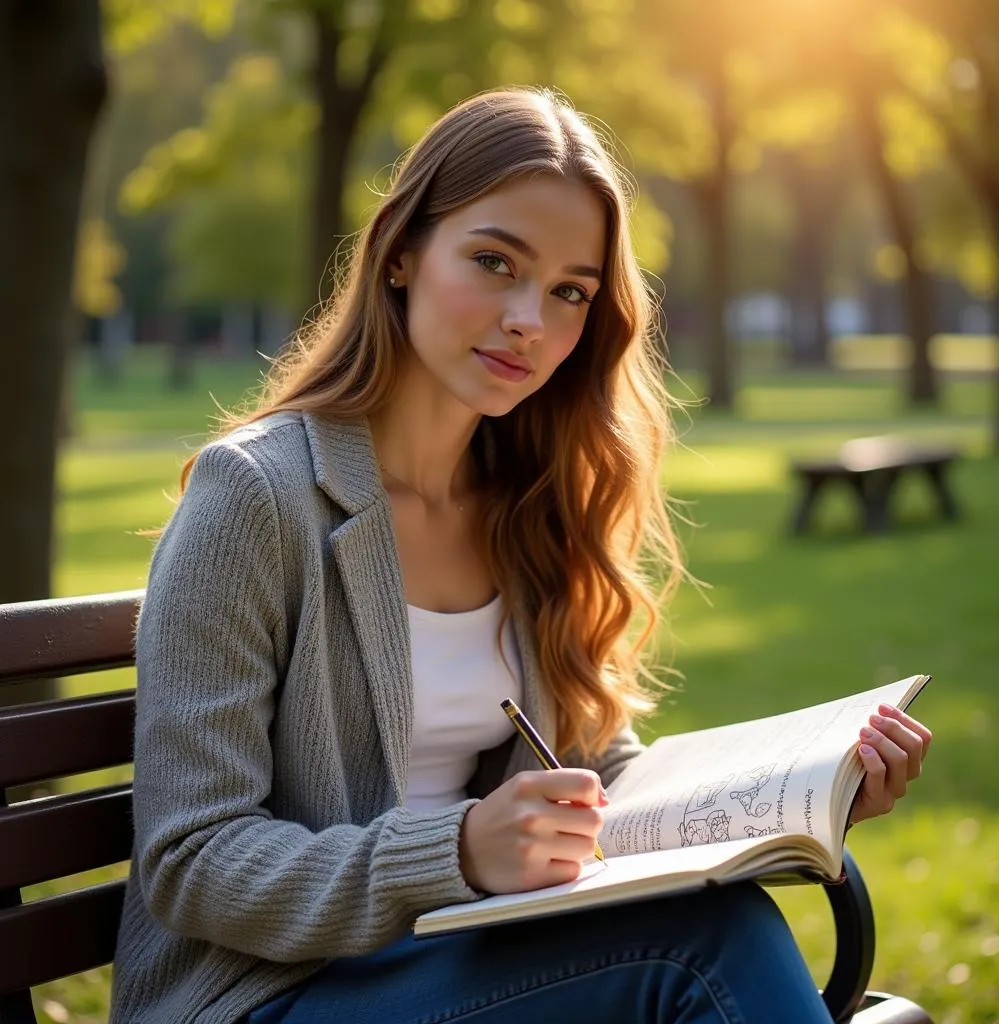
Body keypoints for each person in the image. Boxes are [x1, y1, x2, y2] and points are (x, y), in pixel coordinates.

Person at [110, 87, 933, 1024]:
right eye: (495, 262)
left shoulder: (526, 505)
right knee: (706, 950)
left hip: (472, 962)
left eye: (569, 291)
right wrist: (457, 851)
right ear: (402, 253)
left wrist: (808, 795)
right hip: (266, 998)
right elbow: (191, 861)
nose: (528, 320)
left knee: (717, 928)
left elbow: (592, 773)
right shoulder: (255, 497)